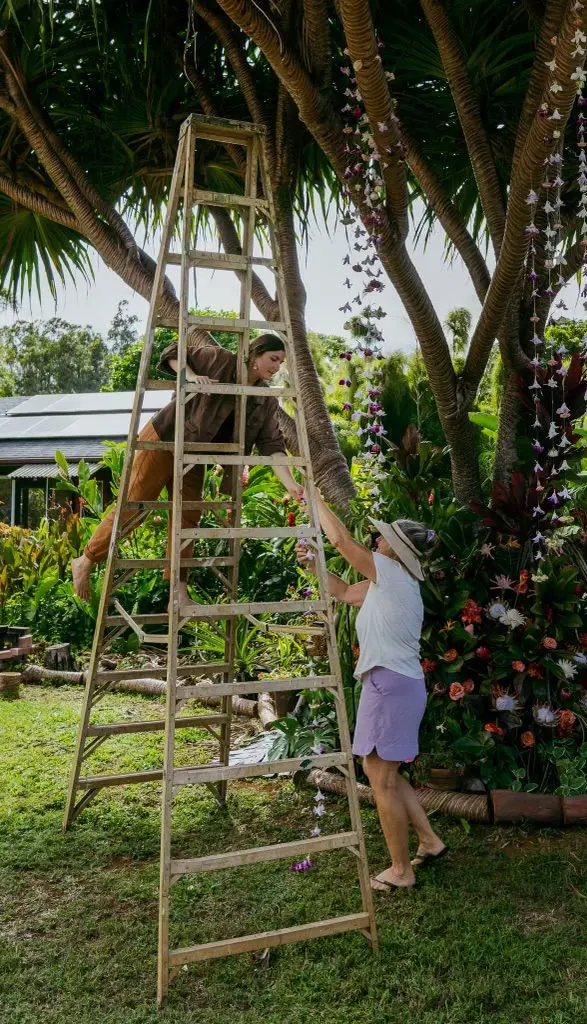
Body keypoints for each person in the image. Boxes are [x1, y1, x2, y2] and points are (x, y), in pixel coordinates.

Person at [72, 334, 303, 603]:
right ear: (256, 353)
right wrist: (191, 376)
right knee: (136, 504)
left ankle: (178, 588)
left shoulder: (265, 400)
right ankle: (86, 559)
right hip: (166, 437)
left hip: (196, 453)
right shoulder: (219, 359)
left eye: (280, 362)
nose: (276, 367)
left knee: (188, 517)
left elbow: (271, 445)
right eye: (273, 359)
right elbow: (172, 350)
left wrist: (291, 484)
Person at [297, 497, 447, 893]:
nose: (376, 539)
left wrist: (314, 500)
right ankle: (430, 842)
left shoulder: (393, 575)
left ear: (394, 549)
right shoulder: (390, 582)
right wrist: (313, 565)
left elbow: (342, 540)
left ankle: (401, 871)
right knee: (384, 773)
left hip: (390, 685)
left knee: (380, 778)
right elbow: (344, 592)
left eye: (382, 536)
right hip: (394, 684)